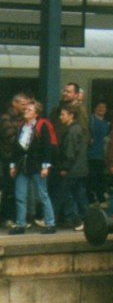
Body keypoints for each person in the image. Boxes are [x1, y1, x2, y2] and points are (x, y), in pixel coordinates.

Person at [8, 100, 57, 235]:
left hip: (37, 165)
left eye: (29, 110)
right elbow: (16, 149)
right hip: (22, 165)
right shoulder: (21, 126)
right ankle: (20, 224)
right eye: (26, 109)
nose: (26, 111)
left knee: (42, 195)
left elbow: (47, 147)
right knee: (20, 196)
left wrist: (46, 166)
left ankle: (50, 223)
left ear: (36, 113)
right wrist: (12, 165)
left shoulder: (42, 126)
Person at [55, 105, 88, 230]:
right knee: (80, 195)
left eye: (63, 114)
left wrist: (65, 168)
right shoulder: (78, 129)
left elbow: (70, 152)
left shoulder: (72, 131)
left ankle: (76, 220)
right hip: (80, 169)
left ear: (71, 115)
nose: (60, 117)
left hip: (72, 169)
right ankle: (87, 218)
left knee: (67, 195)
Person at [1, 92, 31, 227]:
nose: (26, 107)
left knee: (18, 189)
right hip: (8, 159)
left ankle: (18, 218)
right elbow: (10, 138)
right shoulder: (6, 118)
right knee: (8, 189)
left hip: (19, 159)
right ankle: (7, 218)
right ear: (15, 104)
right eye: (23, 104)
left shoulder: (22, 119)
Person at [87, 102, 111, 206]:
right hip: (91, 154)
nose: (102, 109)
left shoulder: (106, 123)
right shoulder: (90, 120)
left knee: (100, 177)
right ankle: (91, 198)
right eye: (99, 107)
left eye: (104, 107)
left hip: (102, 154)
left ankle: (100, 198)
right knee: (91, 177)